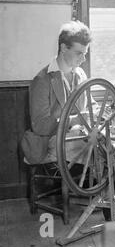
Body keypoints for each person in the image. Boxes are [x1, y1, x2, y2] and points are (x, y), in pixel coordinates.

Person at [22, 20, 93, 165]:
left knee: (111, 142)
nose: (83, 59)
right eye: (79, 53)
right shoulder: (42, 80)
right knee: (96, 146)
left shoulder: (80, 75)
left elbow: (91, 104)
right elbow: (40, 126)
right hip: (50, 142)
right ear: (63, 48)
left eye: (85, 54)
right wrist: (73, 121)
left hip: (76, 138)